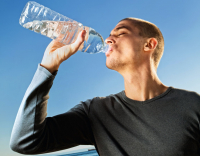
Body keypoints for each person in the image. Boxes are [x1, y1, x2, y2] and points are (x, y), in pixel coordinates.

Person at [10, 18, 200, 156]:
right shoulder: (96, 112)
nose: (108, 39)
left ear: (148, 44)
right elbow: (25, 141)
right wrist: (47, 68)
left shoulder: (192, 104)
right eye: (109, 35)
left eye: (121, 32)